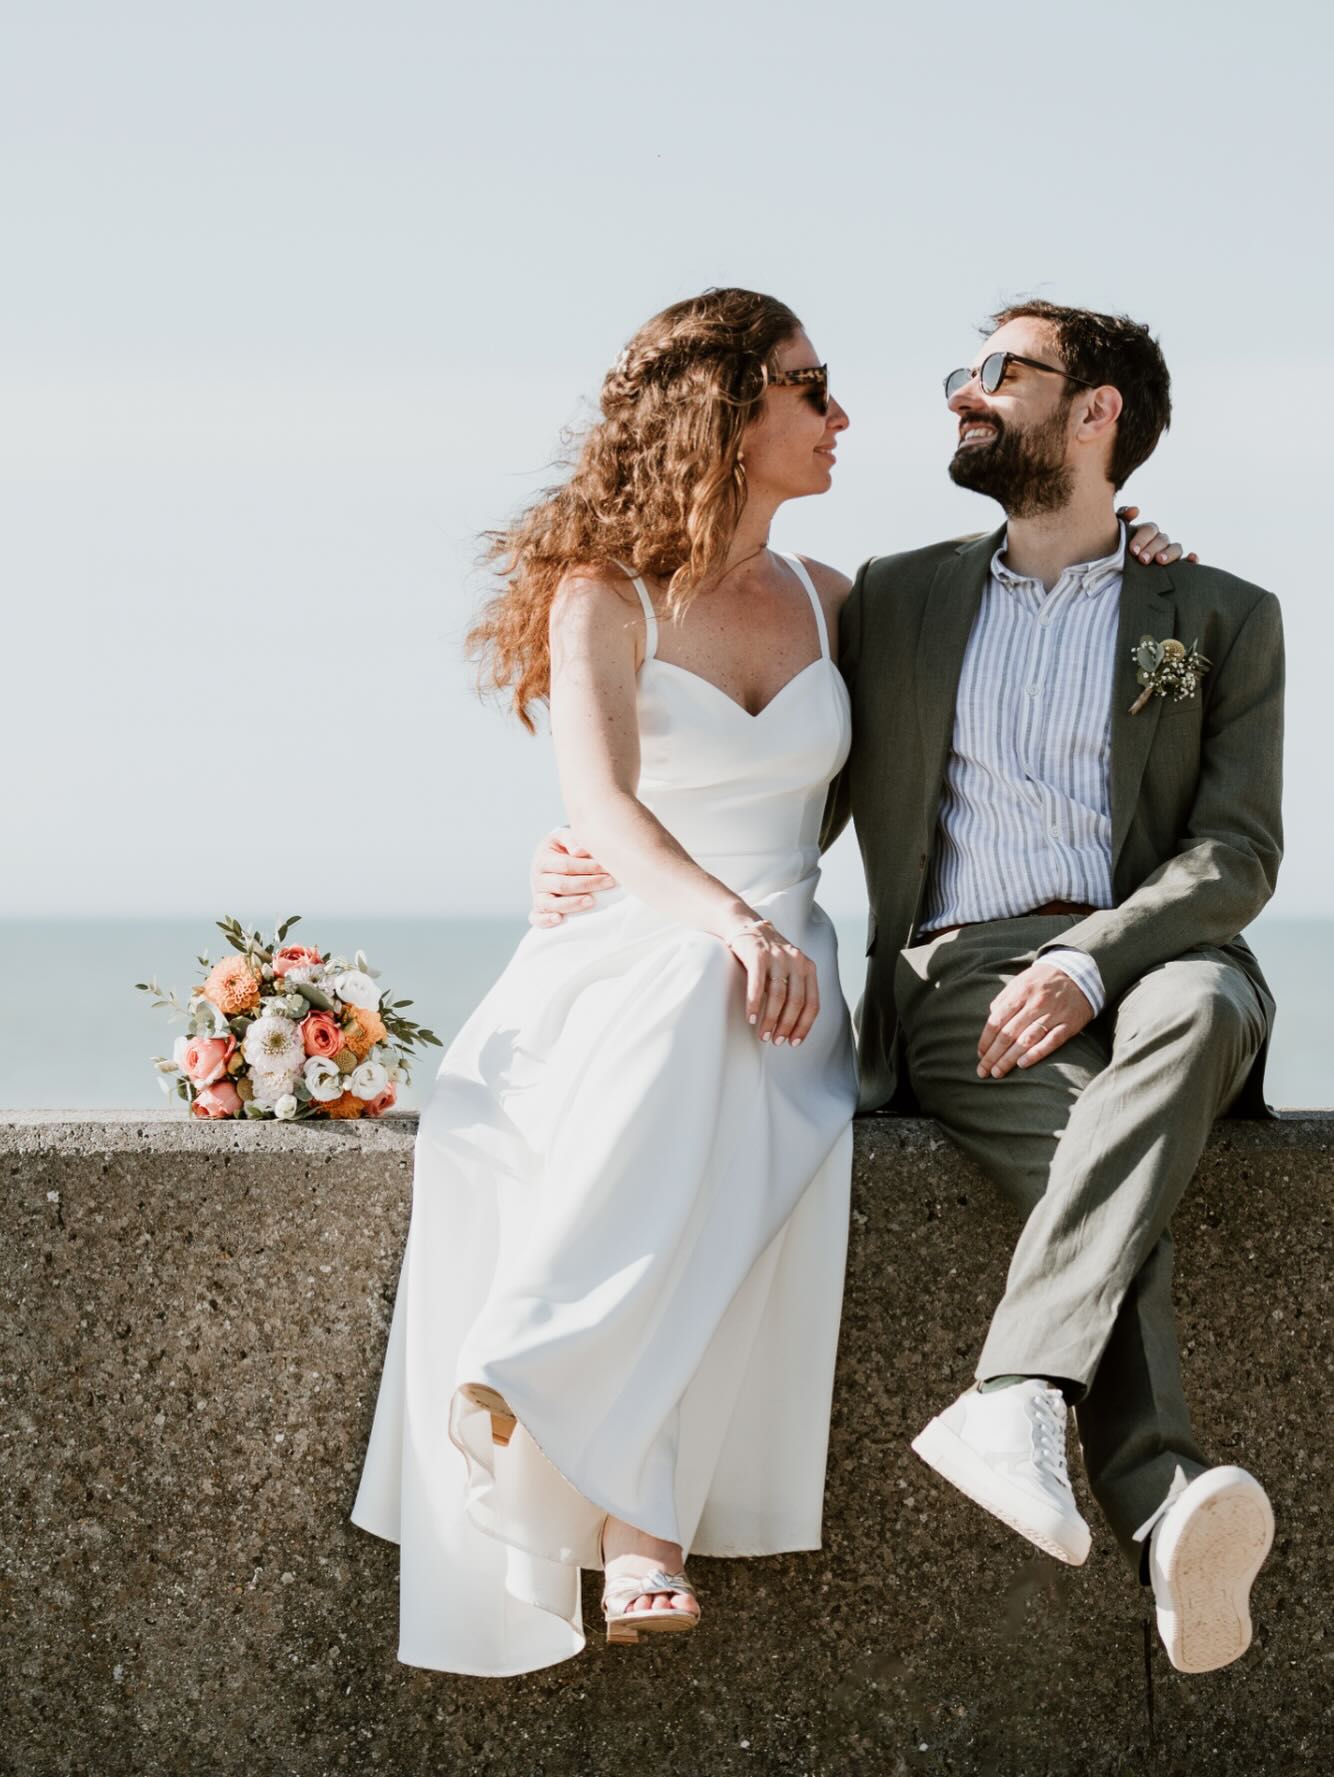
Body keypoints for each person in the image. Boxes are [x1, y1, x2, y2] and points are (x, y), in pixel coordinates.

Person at [533, 298, 1278, 1677]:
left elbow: (1236, 851)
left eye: (998, 371)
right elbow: (780, 775)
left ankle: (1017, 1393)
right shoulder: (892, 599)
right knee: (1089, 1156)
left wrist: (1090, 959)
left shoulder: (1218, 612)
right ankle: (1163, 1496)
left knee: (1201, 1008)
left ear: (1095, 412)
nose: (959, 393)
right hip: (960, 972)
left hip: (1159, 957)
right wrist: (616, 859)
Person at [351, 286, 864, 1674]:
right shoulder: (602, 594)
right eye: (810, 387)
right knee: (688, 1004)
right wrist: (723, 921)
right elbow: (606, 807)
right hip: (640, 937)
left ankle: (538, 1371)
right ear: (727, 411)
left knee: (716, 1012)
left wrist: (1142, 552)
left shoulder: (837, 603)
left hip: (781, 954)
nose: (839, 416)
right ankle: (638, 1521)